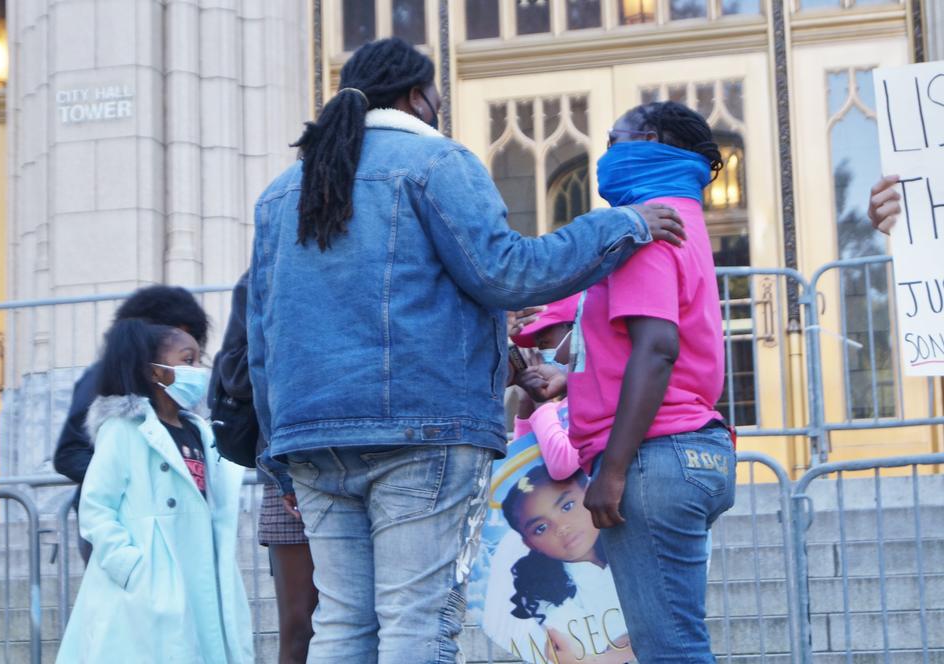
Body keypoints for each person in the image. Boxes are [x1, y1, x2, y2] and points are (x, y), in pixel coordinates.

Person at [247, 37, 687, 664]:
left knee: (342, 624)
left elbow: (262, 334)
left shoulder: (280, 192)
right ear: (416, 96)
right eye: (438, 99)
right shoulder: (436, 163)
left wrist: (275, 454)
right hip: (423, 428)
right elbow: (506, 272)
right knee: (416, 619)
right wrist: (624, 224)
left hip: (311, 434)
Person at [569, 101, 737, 662]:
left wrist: (612, 470)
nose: (606, 153)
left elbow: (658, 347)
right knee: (675, 644)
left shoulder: (649, 224)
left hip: (651, 460)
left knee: (671, 650)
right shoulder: (685, 217)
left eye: (614, 140)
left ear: (649, 140)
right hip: (686, 453)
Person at [55, 319, 253, 663]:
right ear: (155, 373)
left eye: (198, 360)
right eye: (187, 360)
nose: (197, 371)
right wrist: (130, 567)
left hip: (199, 570)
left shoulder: (200, 432)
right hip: (147, 579)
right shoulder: (123, 430)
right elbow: (96, 507)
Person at [53, 286, 209, 564]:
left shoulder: (188, 409)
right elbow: (69, 454)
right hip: (127, 530)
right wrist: (135, 477)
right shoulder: (105, 385)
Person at [214, 272, 318, 664]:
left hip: (359, 456)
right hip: (285, 465)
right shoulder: (261, 276)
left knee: (367, 619)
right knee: (299, 624)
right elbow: (236, 374)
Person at [502, 465, 634, 664]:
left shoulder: (634, 552)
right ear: (530, 544)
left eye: (567, 506)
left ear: (589, 493)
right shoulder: (549, 600)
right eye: (541, 528)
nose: (561, 527)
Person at [510, 295, 580, 480]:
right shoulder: (561, 402)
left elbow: (561, 464)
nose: (538, 342)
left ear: (575, 329)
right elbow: (523, 465)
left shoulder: (595, 395)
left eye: (546, 331)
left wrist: (542, 401)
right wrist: (526, 403)